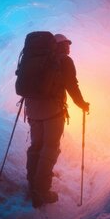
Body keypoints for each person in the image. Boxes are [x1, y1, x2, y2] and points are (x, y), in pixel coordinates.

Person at [24, 33, 90, 208]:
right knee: (50, 148)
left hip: (31, 110)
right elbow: (71, 85)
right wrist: (82, 104)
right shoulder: (64, 61)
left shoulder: (36, 58)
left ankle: (32, 183)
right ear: (59, 45)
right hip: (52, 111)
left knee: (36, 145)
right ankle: (42, 190)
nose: (69, 47)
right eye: (67, 44)